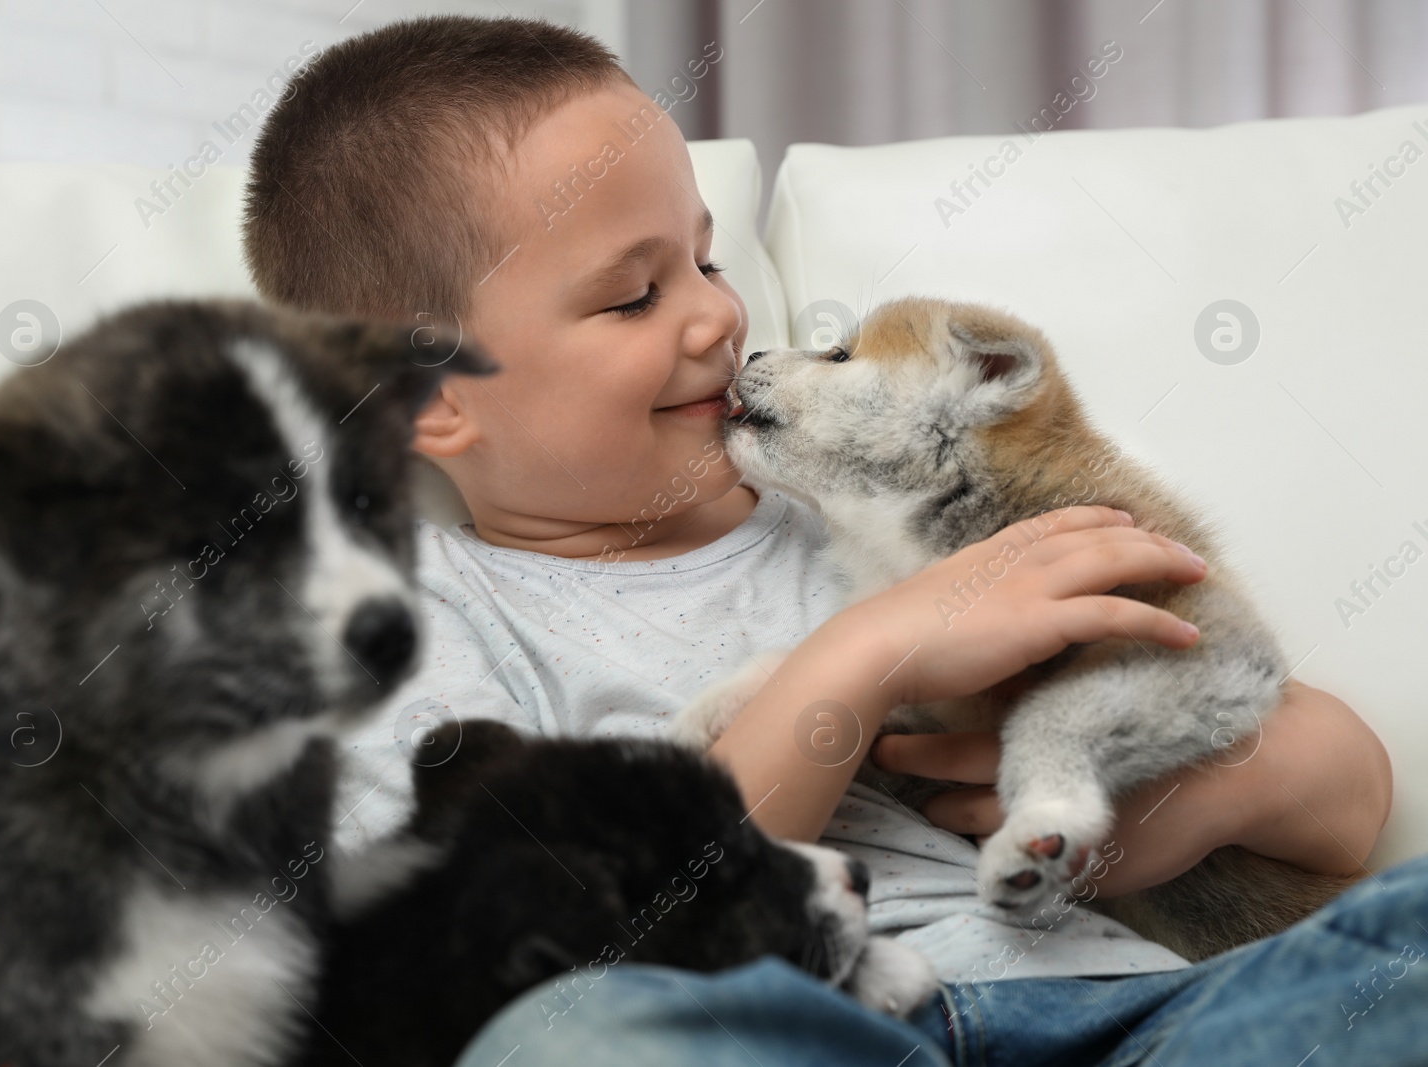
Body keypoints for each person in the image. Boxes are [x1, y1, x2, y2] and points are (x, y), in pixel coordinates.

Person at [241, 16, 1409, 1064]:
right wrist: (867, 663)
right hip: (796, 1033)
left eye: (703, 258)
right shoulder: (408, 625)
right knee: (567, 1036)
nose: (718, 312)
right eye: (632, 297)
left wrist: (1186, 806)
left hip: (1140, 1013)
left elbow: (1346, 791)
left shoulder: (890, 498)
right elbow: (539, 954)